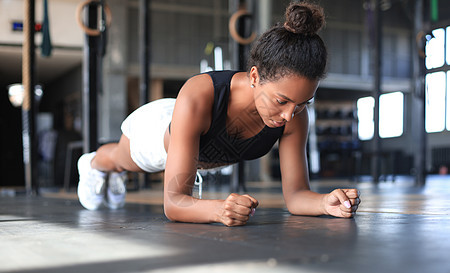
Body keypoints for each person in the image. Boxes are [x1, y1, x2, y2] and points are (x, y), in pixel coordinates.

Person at [77, 1, 361, 226]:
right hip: (158, 129)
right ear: (254, 77)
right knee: (120, 160)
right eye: (281, 101)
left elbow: (297, 195)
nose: (289, 115)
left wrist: (325, 203)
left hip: (194, 140)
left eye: (302, 103)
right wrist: (217, 209)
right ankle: (92, 165)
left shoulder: (295, 116)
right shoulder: (200, 94)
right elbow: (174, 202)